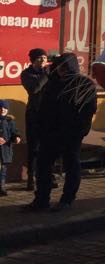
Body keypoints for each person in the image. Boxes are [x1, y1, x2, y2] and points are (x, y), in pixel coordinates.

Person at [23, 53, 97, 213]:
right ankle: (41, 200)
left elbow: (88, 110)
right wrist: (40, 127)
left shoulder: (84, 84)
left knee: (71, 165)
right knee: (43, 165)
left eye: (62, 68)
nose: (60, 71)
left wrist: (80, 130)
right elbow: (44, 106)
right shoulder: (53, 83)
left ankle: (67, 199)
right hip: (50, 132)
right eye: (58, 68)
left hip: (71, 133)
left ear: (69, 67)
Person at [19, 48, 49, 191]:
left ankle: (47, 176)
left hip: (48, 114)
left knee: (48, 146)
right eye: (39, 58)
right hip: (33, 114)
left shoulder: (49, 73)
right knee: (33, 148)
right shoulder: (26, 74)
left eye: (44, 57)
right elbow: (35, 88)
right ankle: (31, 178)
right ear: (33, 60)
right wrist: (46, 73)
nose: (43, 60)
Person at [0, 100, 22, 196]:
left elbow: (14, 132)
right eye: (0, 108)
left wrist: (17, 137)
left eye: (5, 108)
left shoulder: (10, 121)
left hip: (5, 150)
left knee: (3, 169)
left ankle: (2, 186)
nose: (2, 110)